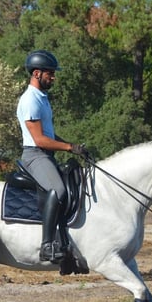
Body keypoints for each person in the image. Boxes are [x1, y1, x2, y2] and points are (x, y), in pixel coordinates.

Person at [16, 49, 87, 263]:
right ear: (37, 73)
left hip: (45, 154)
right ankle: (47, 245)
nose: (53, 77)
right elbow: (39, 140)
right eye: (50, 73)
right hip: (35, 155)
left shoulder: (42, 98)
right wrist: (68, 147)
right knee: (58, 189)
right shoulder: (30, 100)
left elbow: (49, 135)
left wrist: (73, 146)